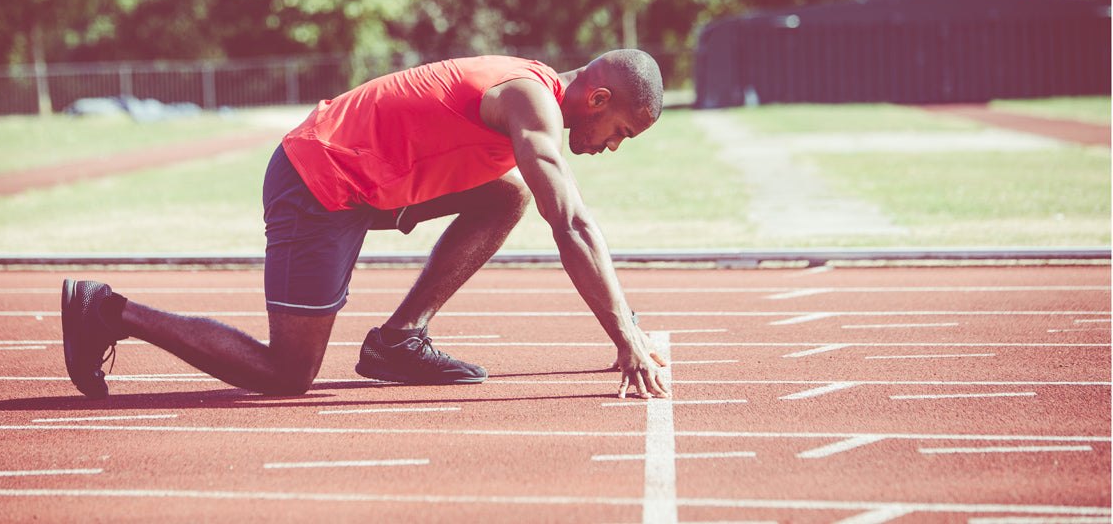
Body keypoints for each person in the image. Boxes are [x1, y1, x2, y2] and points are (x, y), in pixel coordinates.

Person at [60, 49, 671, 401]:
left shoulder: (531, 95)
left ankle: (399, 339)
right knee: (287, 374)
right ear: (596, 98)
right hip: (317, 181)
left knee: (503, 196)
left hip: (371, 189)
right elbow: (570, 222)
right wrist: (623, 333)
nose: (613, 146)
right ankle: (109, 311)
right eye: (620, 131)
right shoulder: (530, 99)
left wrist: (629, 324)